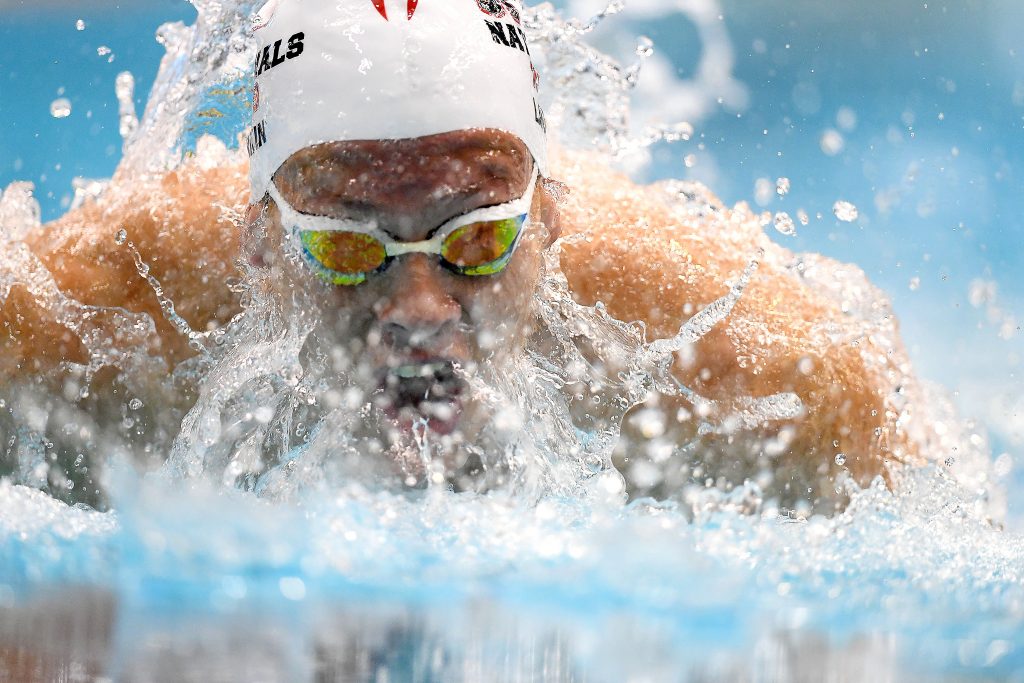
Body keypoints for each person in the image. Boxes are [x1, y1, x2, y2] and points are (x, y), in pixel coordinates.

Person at [1, 0, 929, 512]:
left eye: (476, 238)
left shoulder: (755, 370)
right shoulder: (80, 321)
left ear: (551, 221)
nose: (418, 305)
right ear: (258, 246)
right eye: (343, 244)